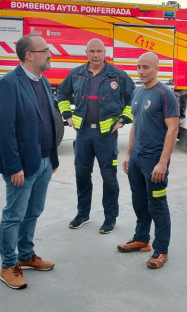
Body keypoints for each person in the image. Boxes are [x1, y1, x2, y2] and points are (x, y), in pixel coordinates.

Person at [0, 34, 59, 290]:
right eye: (45, 50)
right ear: (29, 55)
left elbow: (48, 122)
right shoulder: (9, 84)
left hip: (43, 161)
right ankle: (8, 265)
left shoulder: (42, 81)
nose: (50, 53)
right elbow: (5, 129)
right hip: (21, 165)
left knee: (34, 211)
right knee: (14, 215)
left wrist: (51, 157)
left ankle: (26, 255)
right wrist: (14, 166)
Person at [57, 38, 135, 234]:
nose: (95, 55)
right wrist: (67, 116)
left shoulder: (117, 76)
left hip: (106, 136)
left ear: (105, 52)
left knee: (109, 177)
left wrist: (123, 120)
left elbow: (134, 99)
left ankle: (110, 218)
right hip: (83, 134)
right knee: (82, 175)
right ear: (86, 52)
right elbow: (61, 94)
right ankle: (82, 214)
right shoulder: (76, 74)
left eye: (99, 51)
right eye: (92, 51)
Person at [117, 52, 179, 270]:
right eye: (138, 67)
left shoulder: (165, 94)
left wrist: (163, 162)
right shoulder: (137, 92)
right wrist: (128, 154)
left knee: (157, 205)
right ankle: (141, 239)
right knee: (139, 201)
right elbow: (136, 124)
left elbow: (173, 129)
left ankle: (161, 250)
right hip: (137, 158)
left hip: (154, 159)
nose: (141, 71)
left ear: (156, 69)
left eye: (145, 67)